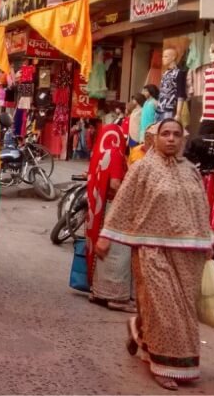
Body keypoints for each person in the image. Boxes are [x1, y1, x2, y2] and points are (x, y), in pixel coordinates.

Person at [97, 119, 214, 390]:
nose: (171, 139)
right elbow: (124, 201)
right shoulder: (143, 168)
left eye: (176, 134)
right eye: (165, 134)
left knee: (182, 310)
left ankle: (140, 330)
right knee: (163, 307)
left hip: (188, 254)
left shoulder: (191, 172)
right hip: (151, 249)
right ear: (155, 137)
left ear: (183, 139)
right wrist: (106, 236)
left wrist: (208, 240)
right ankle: (162, 365)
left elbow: (201, 208)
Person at [85, 124, 133, 312]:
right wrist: (130, 196)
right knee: (118, 253)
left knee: (104, 253)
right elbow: (115, 184)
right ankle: (116, 298)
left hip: (102, 209)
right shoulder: (115, 154)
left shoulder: (101, 152)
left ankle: (98, 292)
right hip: (116, 209)